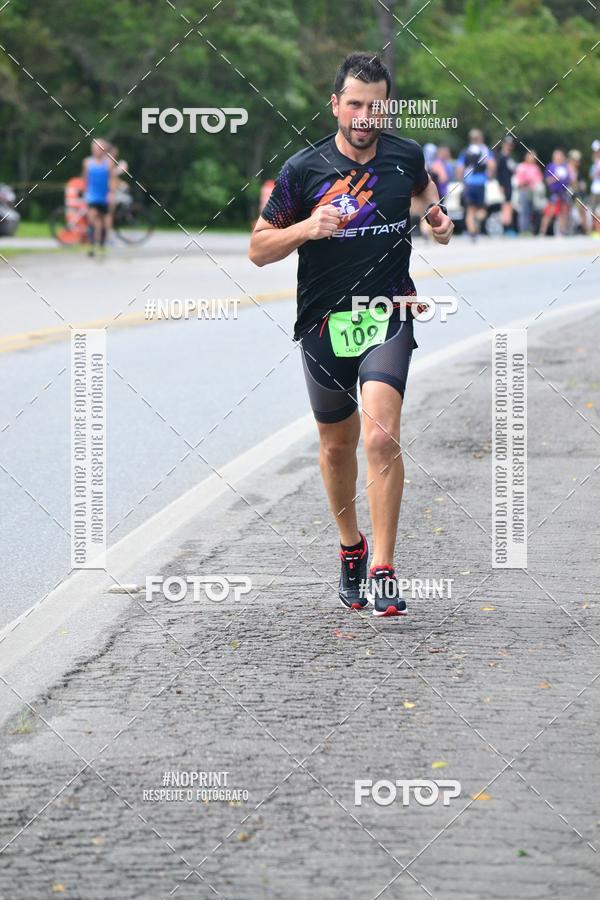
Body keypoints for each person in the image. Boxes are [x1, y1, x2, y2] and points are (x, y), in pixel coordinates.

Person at [248, 52, 453, 617]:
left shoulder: (406, 155)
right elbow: (258, 249)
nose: (365, 115)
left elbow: (425, 190)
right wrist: (308, 227)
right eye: (355, 103)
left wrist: (438, 220)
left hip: (388, 311)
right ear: (336, 105)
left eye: (376, 104)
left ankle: (383, 568)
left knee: (381, 437)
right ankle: (351, 549)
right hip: (322, 322)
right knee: (336, 447)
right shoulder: (303, 170)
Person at [455, 129, 496, 240]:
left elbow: (459, 168)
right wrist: (491, 176)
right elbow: (492, 165)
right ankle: (478, 219)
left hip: (469, 184)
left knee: (469, 210)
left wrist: (460, 181)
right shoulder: (485, 151)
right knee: (482, 209)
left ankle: (472, 232)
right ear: (481, 138)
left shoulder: (465, 151)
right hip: (481, 183)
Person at [82, 138, 115, 256]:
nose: (97, 151)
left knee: (101, 221)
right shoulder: (87, 162)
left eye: (99, 148)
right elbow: (85, 179)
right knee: (93, 217)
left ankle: (101, 244)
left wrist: (111, 193)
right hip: (92, 195)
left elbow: (111, 179)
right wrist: (84, 193)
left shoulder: (108, 163)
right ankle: (91, 245)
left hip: (104, 195)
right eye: (95, 148)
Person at [539, 149, 571, 237]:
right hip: (554, 192)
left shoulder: (565, 167)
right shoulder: (551, 166)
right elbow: (547, 181)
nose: (559, 157)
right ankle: (542, 231)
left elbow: (569, 179)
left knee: (564, 211)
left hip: (563, 192)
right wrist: (556, 177)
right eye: (557, 155)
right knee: (550, 212)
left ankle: (562, 231)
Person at [515, 151, 543, 235]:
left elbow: (539, 180)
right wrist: (526, 182)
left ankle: (530, 229)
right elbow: (519, 180)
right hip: (524, 191)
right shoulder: (521, 166)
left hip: (534, 192)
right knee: (524, 211)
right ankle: (523, 230)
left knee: (532, 212)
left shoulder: (536, 168)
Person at [496, 136, 517, 235]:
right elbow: (498, 172)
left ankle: (507, 227)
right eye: (507, 144)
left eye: (510, 145)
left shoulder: (510, 158)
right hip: (503, 185)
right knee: (506, 206)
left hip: (510, 184)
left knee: (509, 205)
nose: (509, 146)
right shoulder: (500, 157)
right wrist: (500, 185)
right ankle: (506, 228)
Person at [588, 140, 600, 237]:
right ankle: (594, 230)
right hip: (595, 189)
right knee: (593, 210)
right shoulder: (594, 163)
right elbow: (591, 176)